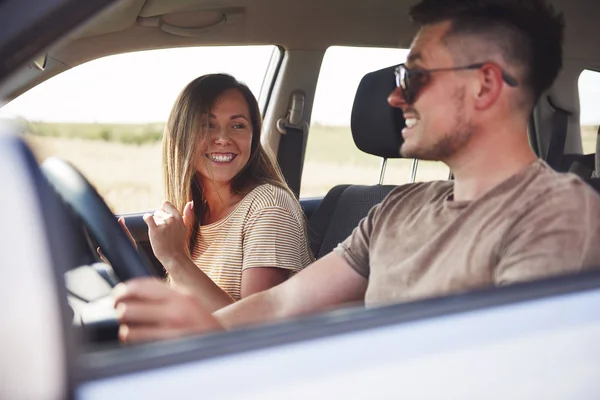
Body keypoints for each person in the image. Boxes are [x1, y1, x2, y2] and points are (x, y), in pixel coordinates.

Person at [113, 0, 600, 343]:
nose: (395, 97)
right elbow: (284, 305)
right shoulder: (398, 209)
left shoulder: (557, 215)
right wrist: (196, 330)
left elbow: (510, 371)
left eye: (413, 76)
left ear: (485, 85)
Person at [118, 73, 313, 313]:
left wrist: (176, 259)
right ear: (181, 135)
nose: (223, 138)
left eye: (237, 125)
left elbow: (256, 331)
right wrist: (129, 265)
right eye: (207, 125)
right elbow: (190, 308)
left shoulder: (269, 208)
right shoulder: (194, 210)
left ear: (253, 136)